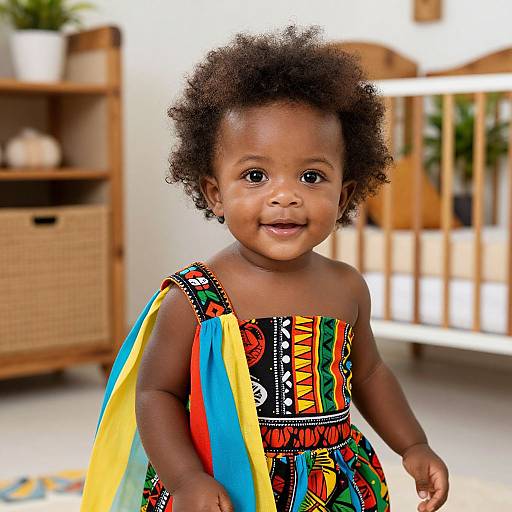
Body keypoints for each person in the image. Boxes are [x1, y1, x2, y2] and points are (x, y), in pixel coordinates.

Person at [80, 24, 449, 512]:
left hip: (331, 483)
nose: (284, 194)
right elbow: (155, 394)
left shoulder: (346, 287)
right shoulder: (196, 297)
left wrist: (413, 444)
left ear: (342, 196)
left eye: (311, 176)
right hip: (224, 484)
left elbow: (371, 374)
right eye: (255, 175)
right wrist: (187, 479)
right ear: (215, 193)